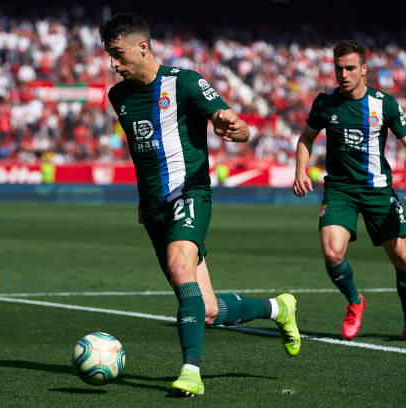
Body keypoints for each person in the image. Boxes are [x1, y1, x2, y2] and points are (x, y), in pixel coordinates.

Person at [100, 12, 301, 397]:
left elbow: (240, 129)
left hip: (190, 193)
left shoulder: (186, 83)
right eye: (109, 55)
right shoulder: (118, 96)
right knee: (205, 308)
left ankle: (191, 372)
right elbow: (143, 153)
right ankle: (279, 309)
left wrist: (234, 127)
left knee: (180, 265)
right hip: (155, 208)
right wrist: (145, 202)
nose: (113, 63)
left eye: (118, 53)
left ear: (143, 46)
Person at [293, 40, 406, 344]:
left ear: (364, 69)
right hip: (340, 189)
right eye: (339, 68)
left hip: (377, 191)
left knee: (402, 257)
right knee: (332, 252)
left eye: (350, 68)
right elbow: (305, 139)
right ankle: (355, 301)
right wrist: (300, 170)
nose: (343, 74)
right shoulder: (325, 102)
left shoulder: (384, 103)